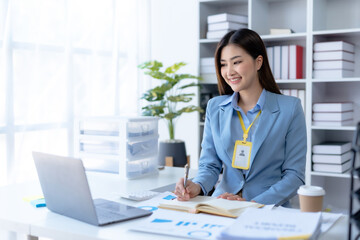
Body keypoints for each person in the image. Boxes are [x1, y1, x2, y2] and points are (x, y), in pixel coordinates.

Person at [174, 28, 306, 207]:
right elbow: (210, 165)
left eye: (236, 62)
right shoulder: (215, 107)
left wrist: (253, 203)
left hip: (266, 208)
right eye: (223, 64)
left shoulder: (290, 108)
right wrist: (196, 186)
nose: (229, 72)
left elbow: (294, 175)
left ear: (258, 62)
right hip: (222, 205)